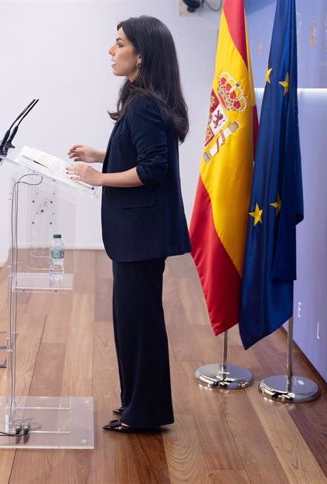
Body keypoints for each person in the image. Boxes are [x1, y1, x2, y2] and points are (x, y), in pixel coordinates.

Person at [67, 15, 191, 433]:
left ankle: (145, 412)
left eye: (119, 43)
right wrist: (100, 155)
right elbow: (141, 155)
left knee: (139, 326)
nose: (111, 50)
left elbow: (152, 169)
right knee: (135, 324)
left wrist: (98, 178)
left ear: (142, 54)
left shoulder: (144, 106)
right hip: (139, 236)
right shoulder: (144, 101)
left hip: (140, 237)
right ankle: (138, 405)